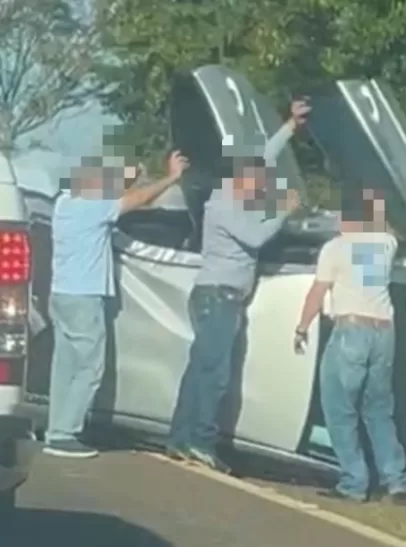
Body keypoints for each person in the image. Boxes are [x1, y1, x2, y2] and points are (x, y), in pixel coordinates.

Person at [167, 100, 310, 473]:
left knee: (199, 369)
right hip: (220, 297)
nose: (262, 183)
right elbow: (256, 237)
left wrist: (290, 127)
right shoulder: (227, 205)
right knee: (214, 373)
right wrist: (284, 209)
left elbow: (264, 157)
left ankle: (181, 438)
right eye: (256, 180)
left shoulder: (230, 195)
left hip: (216, 296)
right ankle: (199, 441)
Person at [44, 151, 189, 458]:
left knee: (65, 366)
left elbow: (120, 191)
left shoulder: (65, 203)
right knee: (89, 368)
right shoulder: (93, 208)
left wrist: (129, 174)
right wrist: (172, 177)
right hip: (84, 296)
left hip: (61, 294)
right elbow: (137, 200)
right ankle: (65, 434)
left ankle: (56, 428)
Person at [293, 184, 406, 505]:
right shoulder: (386, 244)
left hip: (351, 331)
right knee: (378, 410)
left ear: (345, 220)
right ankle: (397, 482)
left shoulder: (335, 249)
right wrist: (374, 203)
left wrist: (302, 327)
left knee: (339, 408)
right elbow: (386, 225)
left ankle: (354, 482)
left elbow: (317, 294)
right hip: (384, 333)